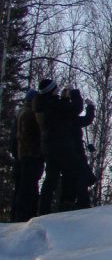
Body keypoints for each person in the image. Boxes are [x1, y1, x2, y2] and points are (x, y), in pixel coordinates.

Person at [33, 78, 79, 214]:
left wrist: (64, 99)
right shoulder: (52, 104)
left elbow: (62, 113)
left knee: (51, 179)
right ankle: (66, 206)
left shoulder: (43, 103)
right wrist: (74, 93)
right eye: (56, 88)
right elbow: (75, 108)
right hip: (60, 144)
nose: (58, 90)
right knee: (72, 173)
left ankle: (44, 209)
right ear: (50, 90)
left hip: (50, 145)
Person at [11, 89, 44, 221]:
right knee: (28, 188)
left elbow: (14, 139)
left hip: (21, 156)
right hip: (29, 155)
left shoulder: (20, 113)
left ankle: (18, 214)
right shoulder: (30, 114)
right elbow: (31, 136)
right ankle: (25, 215)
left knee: (21, 188)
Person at [61, 87, 96, 209]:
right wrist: (75, 95)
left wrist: (90, 107)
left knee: (72, 176)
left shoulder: (64, 112)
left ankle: (69, 202)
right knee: (82, 174)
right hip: (72, 148)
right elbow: (80, 113)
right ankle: (81, 203)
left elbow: (85, 120)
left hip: (71, 148)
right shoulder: (64, 111)